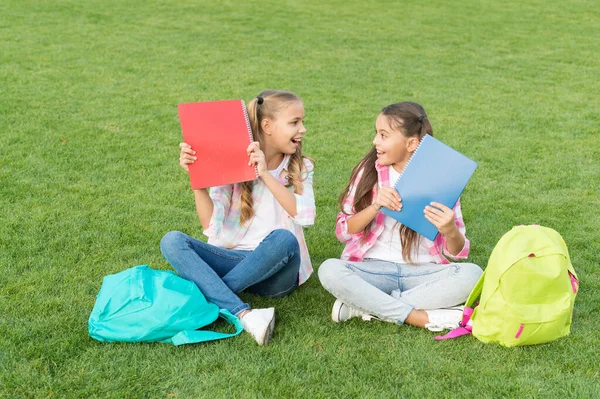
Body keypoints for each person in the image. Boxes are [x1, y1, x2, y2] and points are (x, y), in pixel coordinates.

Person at [160, 90, 315, 345]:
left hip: (276, 274)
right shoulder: (232, 164)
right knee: (172, 241)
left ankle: (208, 296)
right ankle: (243, 313)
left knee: (284, 239)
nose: (303, 129)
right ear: (267, 126)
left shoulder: (301, 167)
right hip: (235, 259)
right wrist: (197, 178)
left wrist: (265, 174)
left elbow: (306, 216)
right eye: (295, 122)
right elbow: (210, 225)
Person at [318, 101, 482, 331]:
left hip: (422, 271)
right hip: (373, 269)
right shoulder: (367, 172)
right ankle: (419, 317)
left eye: (383, 135)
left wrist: (449, 230)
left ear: (411, 143)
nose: (375, 141)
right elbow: (344, 231)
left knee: (473, 274)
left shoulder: (442, 178)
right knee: (329, 269)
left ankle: (366, 306)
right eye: (376, 133)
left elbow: (456, 252)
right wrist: (375, 206)